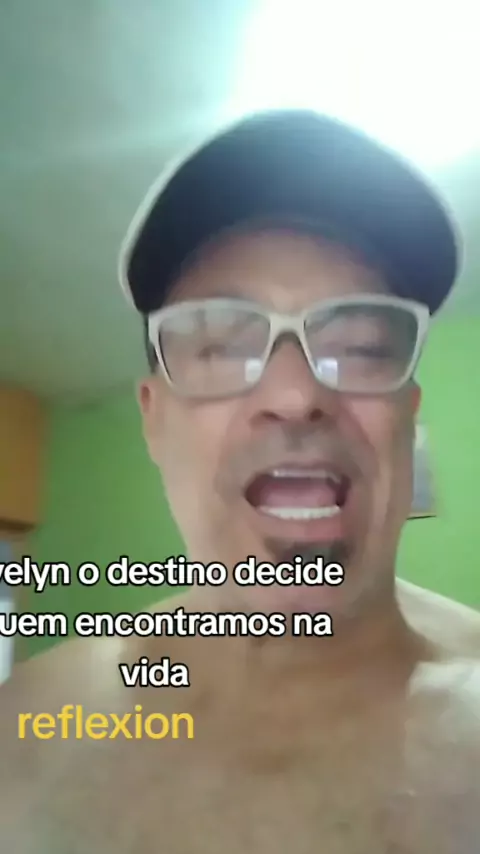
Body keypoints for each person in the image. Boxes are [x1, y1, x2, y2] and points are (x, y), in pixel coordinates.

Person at [1, 110, 479, 854]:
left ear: (404, 418)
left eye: (358, 346)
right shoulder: (24, 731)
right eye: (222, 344)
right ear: (154, 421)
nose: (295, 394)